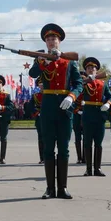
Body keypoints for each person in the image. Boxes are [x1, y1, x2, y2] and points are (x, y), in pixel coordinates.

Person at [29, 23, 82, 199]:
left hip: (65, 107)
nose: (52, 41)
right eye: (49, 39)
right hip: (49, 106)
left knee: (64, 148)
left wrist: (72, 97)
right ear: (45, 43)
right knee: (49, 148)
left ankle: (63, 188)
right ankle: (50, 188)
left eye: (54, 39)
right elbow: (33, 73)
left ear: (59, 42)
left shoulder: (69, 61)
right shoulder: (41, 59)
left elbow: (78, 84)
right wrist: (41, 61)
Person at [81, 57, 111, 177]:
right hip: (88, 115)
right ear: (86, 70)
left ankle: (97, 168)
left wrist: (108, 104)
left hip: (99, 115)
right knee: (88, 143)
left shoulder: (102, 84)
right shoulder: (83, 82)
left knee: (98, 144)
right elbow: (77, 88)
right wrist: (87, 80)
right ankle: (88, 169)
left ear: (96, 70)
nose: (91, 70)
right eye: (89, 68)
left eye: (93, 68)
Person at [72, 71, 87, 164]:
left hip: (86, 116)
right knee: (77, 138)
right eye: (80, 78)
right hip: (77, 116)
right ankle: (79, 157)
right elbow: (71, 103)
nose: (82, 79)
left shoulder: (89, 89)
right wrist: (77, 110)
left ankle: (85, 157)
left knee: (86, 138)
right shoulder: (74, 90)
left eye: (83, 78)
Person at [28, 77, 44, 163]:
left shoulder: (51, 95)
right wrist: (36, 112)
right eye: (41, 85)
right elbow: (30, 106)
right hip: (39, 118)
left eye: (43, 84)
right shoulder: (35, 96)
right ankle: (42, 158)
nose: (42, 86)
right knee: (41, 138)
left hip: (49, 118)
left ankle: (49, 158)